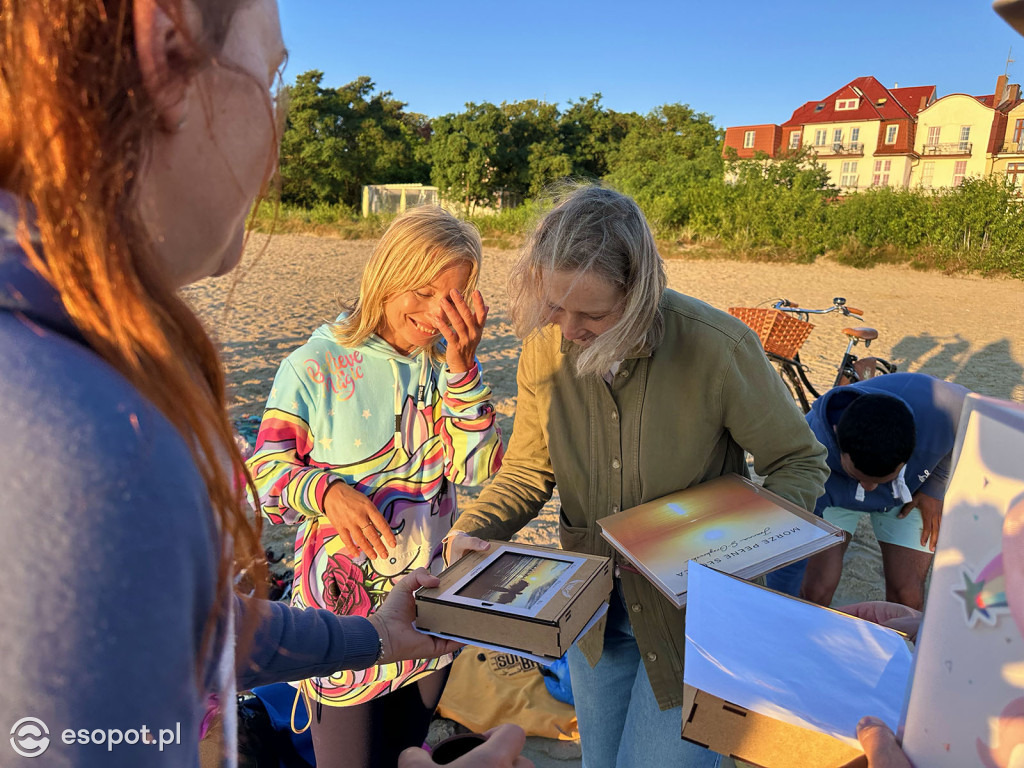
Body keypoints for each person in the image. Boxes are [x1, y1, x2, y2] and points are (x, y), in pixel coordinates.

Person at [0, 2, 517, 766]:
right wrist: (327, 502)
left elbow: (202, 629)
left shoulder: (89, 370)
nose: (276, 148)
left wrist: (375, 637)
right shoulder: (78, 435)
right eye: (271, 78)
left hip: (396, 626)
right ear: (163, 38)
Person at [446, 185, 830, 768]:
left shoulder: (718, 347)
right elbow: (528, 468)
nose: (568, 330)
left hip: (694, 626)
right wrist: (477, 526)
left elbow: (800, 463)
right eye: (554, 306)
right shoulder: (543, 348)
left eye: (593, 315)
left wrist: (730, 546)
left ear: (640, 292)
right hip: (593, 617)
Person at [246, 206, 504, 767]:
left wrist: (463, 369)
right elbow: (265, 471)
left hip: (426, 614)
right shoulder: (313, 366)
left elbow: (478, 469)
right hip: (345, 627)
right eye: (422, 290)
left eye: (453, 298)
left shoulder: (444, 369)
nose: (437, 313)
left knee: (404, 755)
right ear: (386, 275)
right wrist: (325, 492)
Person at [766, 373, 968, 610]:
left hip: (907, 491)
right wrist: (778, 610)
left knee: (907, 598)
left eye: (879, 480)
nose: (870, 488)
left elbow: (970, 426)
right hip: (830, 492)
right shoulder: (809, 454)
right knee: (815, 589)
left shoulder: (947, 408)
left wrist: (936, 486)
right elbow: (789, 555)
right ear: (838, 442)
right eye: (859, 477)